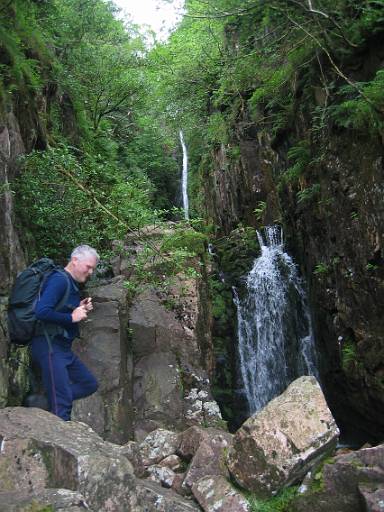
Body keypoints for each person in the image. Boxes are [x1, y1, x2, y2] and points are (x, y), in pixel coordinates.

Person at [30, 245, 100, 421]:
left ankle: (46, 401)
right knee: (62, 405)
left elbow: (60, 309)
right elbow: (41, 311)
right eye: (88, 266)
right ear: (75, 260)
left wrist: (80, 307)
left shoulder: (70, 283)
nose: (90, 272)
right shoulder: (59, 280)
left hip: (61, 347)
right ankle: (59, 444)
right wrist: (71, 317)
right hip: (48, 345)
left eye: (93, 268)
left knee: (89, 384)